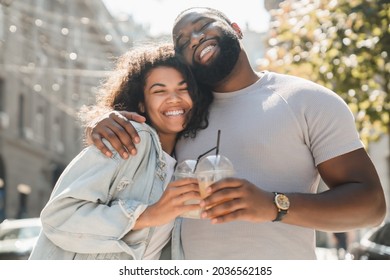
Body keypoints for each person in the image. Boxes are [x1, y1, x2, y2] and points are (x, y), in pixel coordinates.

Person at [87, 7, 386, 260]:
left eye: (203, 26)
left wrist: (273, 205)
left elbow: (371, 207)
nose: (194, 38)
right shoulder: (179, 115)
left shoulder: (306, 100)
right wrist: (102, 123)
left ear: (235, 29)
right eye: (182, 42)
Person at [29, 43, 211, 260]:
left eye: (183, 89)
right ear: (142, 104)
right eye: (159, 91)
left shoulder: (183, 161)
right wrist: (145, 215)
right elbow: (59, 218)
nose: (174, 98)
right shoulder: (130, 137)